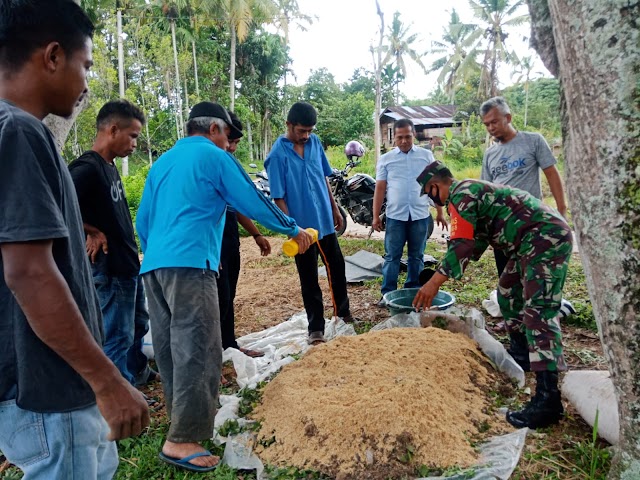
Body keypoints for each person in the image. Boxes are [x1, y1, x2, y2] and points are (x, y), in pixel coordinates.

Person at [0, 1, 149, 479]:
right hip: (51, 390)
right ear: (52, 56)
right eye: (85, 65)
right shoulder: (21, 132)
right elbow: (29, 271)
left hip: (34, 385)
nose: (87, 83)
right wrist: (107, 380)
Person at [136, 101, 312, 472]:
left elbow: (143, 221)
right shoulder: (215, 158)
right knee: (199, 347)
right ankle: (182, 439)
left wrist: (158, 256)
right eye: (226, 135)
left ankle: (179, 424)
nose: (228, 143)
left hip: (154, 267)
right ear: (214, 129)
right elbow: (253, 199)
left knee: (170, 348)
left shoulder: (162, 163)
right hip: (190, 265)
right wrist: (292, 228)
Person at [413, 161, 572, 429]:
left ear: (435, 186)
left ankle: (548, 400)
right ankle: (522, 354)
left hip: (545, 238)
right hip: (527, 242)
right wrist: (441, 270)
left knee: (539, 312)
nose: (431, 200)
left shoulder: (461, 195)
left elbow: (462, 245)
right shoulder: (468, 193)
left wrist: (434, 283)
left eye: (429, 195)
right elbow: (472, 241)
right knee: (507, 291)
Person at [69, 99, 160, 394]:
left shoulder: (108, 167)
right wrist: (90, 230)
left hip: (127, 264)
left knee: (137, 324)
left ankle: (137, 373)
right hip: (109, 269)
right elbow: (55, 204)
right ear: (112, 129)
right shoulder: (87, 168)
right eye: (132, 136)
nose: (135, 143)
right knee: (116, 335)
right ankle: (119, 396)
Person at [479, 96, 574, 339]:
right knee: (507, 279)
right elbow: (486, 190)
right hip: (503, 230)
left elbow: (552, 174)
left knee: (533, 277)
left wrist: (561, 210)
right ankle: (515, 325)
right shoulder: (490, 154)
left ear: (508, 118)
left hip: (533, 227)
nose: (491, 128)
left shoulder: (532, 141)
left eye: (494, 122)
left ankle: (539, 323)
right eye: (486, 124)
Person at [266, 101, 357, 345]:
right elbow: (278, 196)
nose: (306, 136)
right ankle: (315, 328)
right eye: (301, 131)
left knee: (336, 267)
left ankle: (343, 313)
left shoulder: (315, 143)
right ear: (289, 125)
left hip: (325, 221)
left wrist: (335, 209)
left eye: (309, 131)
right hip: (302, 229)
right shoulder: (277, 155)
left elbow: (324, 178)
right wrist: (291, 230)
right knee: (308, 277)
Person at [372, 118, 447, 305]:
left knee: (417, 256)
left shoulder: (426, 156)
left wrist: (440, 212)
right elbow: (380, 189)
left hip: (420, 216)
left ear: (413, 135)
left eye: (407, 136)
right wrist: (375, 217)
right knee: (391, 256)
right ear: (393, 138)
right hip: (395, 216)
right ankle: (387, 294)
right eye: (400, 137)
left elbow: (435, 185)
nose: (404, 141)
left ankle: (412, 291)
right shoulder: (386, 160)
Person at [218, 111, 268, 359]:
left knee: (228, 293)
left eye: (236, 143)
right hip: (212, 237)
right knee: (218, 297)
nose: (233, 148)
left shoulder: (227, 164)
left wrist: (257, 234)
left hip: (229, 234)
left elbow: (238, 205)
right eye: (232, 142)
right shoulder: (211, 162)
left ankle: (229, 345)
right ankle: (214, 353)